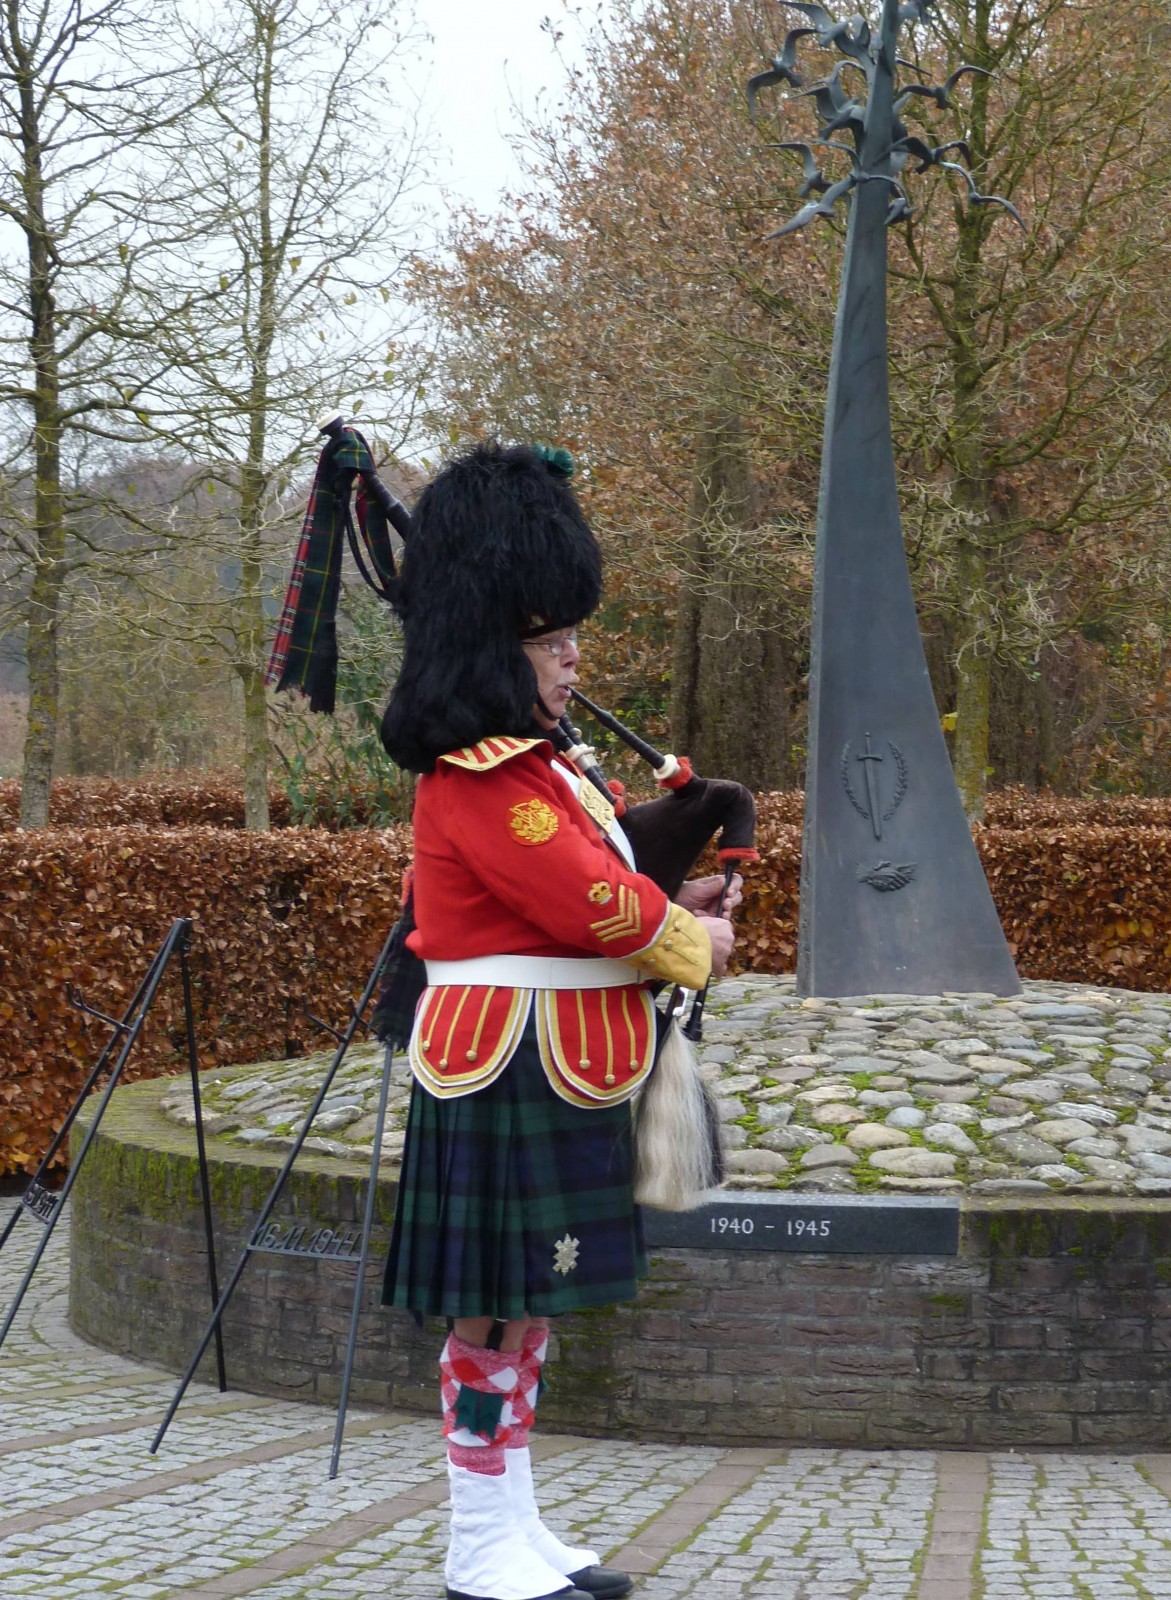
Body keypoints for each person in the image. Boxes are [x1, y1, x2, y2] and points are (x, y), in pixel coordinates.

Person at [377, 441, 737, 1600]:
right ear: (494, 645)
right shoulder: (483, 774)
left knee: (524, 1310)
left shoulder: (543, 770)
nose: (571, 658)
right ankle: (478, 1541)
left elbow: (599, 880)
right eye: (548, 641)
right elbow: (582, 901)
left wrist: (675, 894)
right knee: (493, 1308)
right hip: (508, 1066)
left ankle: (513, 1521)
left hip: (558, 1060)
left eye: (568, 636)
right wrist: (690, 938)